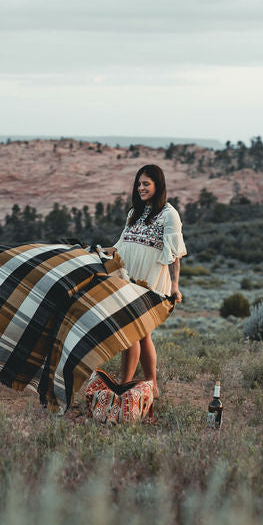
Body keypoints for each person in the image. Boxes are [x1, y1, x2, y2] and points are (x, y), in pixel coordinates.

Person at [112, 164, 186, 398]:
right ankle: (150, 386)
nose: (141, 188)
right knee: (141, 334)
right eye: (139, 184)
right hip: (129, 277)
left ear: (158, 185)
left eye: (147, 184)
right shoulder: (134, 212)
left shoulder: (169, 214)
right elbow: (121, 245)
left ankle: (125, 385)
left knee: (133, 330)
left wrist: (174, 286)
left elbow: (174, 255)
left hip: (151, 281)